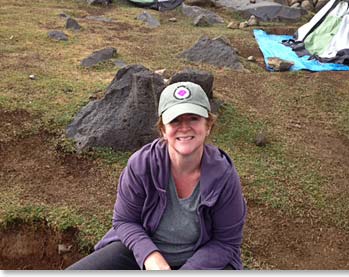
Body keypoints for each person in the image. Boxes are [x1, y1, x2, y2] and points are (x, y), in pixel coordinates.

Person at [67, 81, 247, 270]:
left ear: (208, 126)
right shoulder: (141, 165)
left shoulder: (224, 175)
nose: (184, 127)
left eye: (193, 118)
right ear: (163, 129)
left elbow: (226, 242)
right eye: (175, 120)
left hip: (201, 261)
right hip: (143, 253)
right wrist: (151, 257)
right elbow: (125, 221)